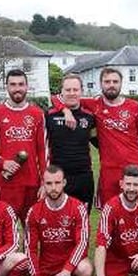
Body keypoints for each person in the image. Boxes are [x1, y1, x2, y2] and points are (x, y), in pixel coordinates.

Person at [55, 68, 138, 208]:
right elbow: (56, 97)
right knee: (109, 210)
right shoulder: (95, 105)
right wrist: (65, 110)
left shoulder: (134, 107)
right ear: (101, 84)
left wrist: (135, 157)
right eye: (107, 81)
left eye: (115, 81)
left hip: (134, 169)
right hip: (109, 170)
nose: (111, 84)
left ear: (121, 83)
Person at [25, 165, 93, 276]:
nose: (53, 188)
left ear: (64, 183)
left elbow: (82, 242)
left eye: (57, 183)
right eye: (49, 183)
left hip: (71, 266)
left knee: (86, 270)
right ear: (43, 184)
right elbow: (29, 249)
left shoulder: (77, 207)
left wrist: (67, 270)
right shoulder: (34, 211)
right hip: (47, 267)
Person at [0, 69, 48, 221]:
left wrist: (44, 181)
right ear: (6, 87)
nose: (17, 88)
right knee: (7, 227)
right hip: (7, 183)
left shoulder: (37, 114)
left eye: (21, 84)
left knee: (32, 228)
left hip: (32, 182)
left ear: (27, 87)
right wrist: (2, 162)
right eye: (13, 84)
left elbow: (43, 149)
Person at [46, 74, 97, 211]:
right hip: (58, 177)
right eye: (68, 90)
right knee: (59, 222)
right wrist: (65, 110)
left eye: (75, 90)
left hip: (84, 177)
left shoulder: (90, 117)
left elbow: (97, 141)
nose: (72, 93)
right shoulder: (49, 116)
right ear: (61, 92)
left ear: (82, 91)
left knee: (83, 221)